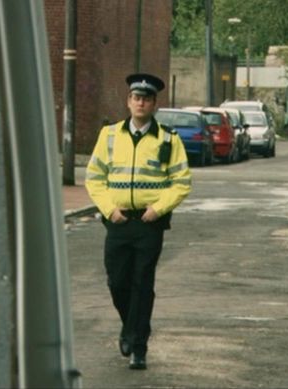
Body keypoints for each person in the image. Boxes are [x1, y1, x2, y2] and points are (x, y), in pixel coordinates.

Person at [85, 73, 192, 370]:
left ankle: (139, 347)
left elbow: (181, 181)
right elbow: (94, 178)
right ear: (128, 101)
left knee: (142, 282)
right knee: (117, 281)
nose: (140, 102)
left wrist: (158, 209)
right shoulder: (109, 135)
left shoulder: (168, 139)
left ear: (154, 104)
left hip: (149, 223)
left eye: (146, 98)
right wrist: (109, 210)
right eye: (136, 97)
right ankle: (130, 328)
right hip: (118, 221)